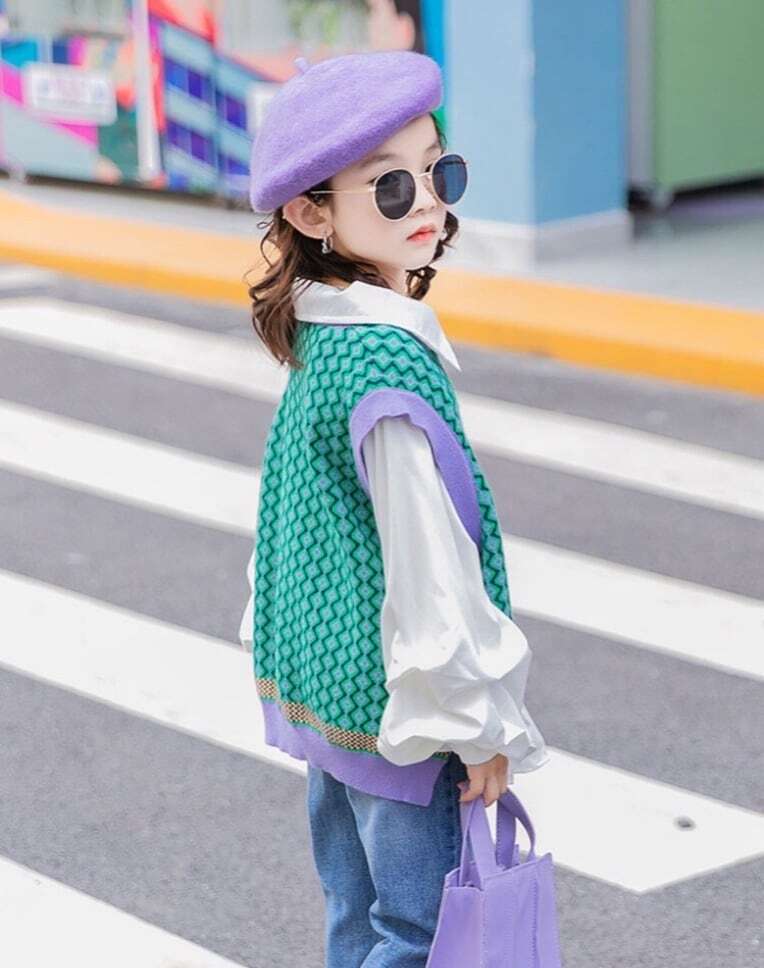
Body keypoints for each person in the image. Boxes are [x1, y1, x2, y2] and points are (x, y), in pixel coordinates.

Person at [239, 49, 550, 967]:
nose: (426, 204)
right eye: (389, 186)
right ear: (311, 213)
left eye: (437, 171)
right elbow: (429, 576)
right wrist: (476, 729)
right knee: (415, 936)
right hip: (400, 723)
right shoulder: (386, 367)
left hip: (329, 699)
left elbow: (291, 527)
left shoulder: (322, 333)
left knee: (357, 915)